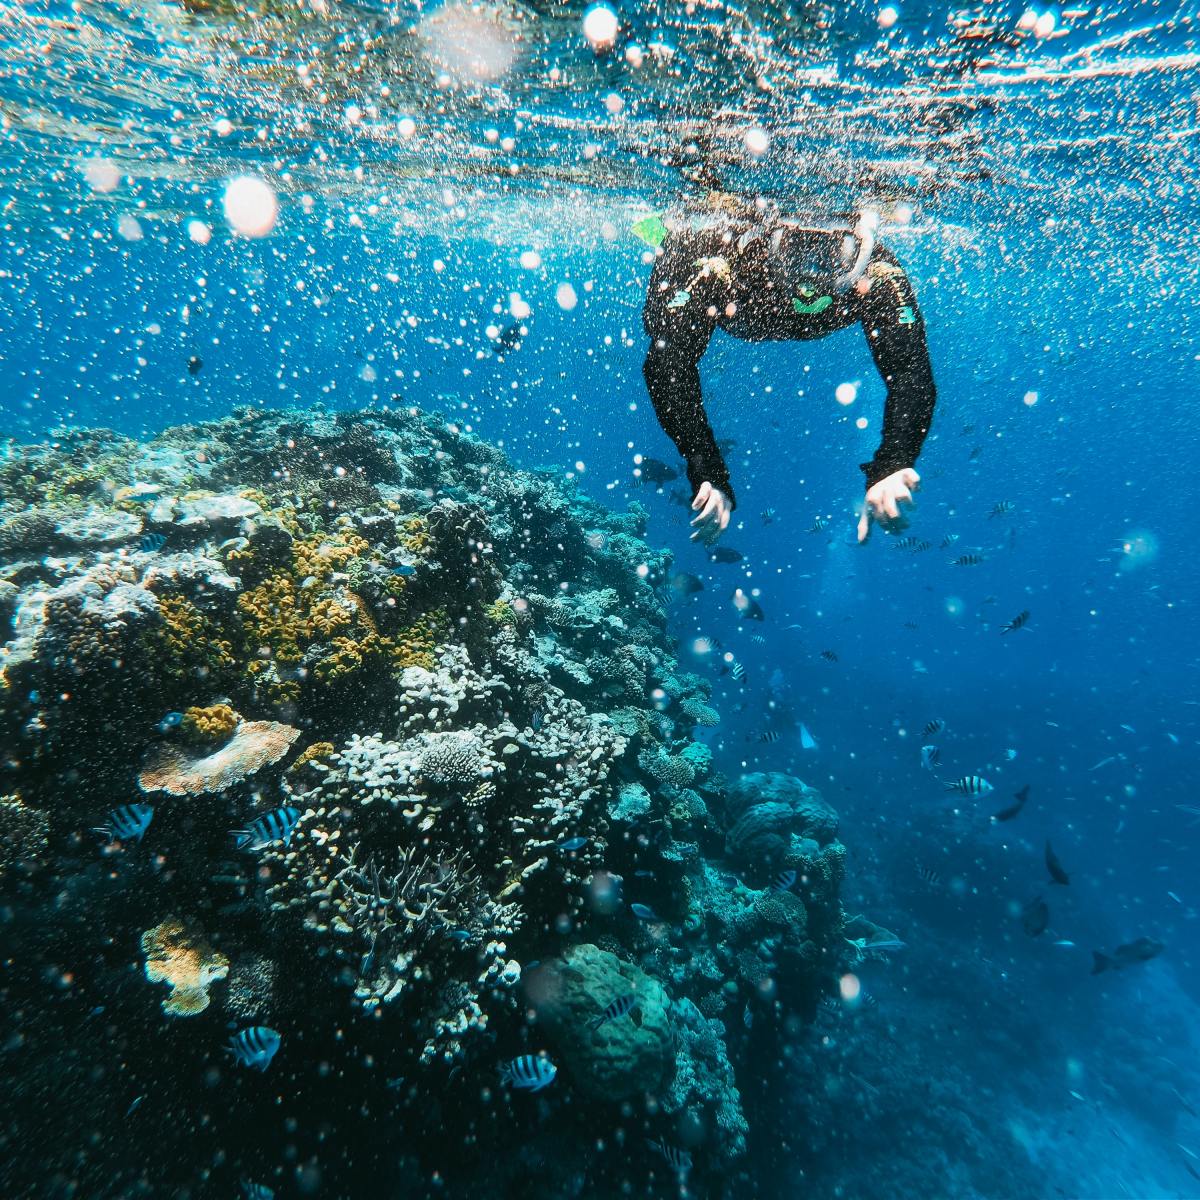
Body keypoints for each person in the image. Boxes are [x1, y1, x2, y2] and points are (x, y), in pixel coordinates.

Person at [640, 190, 937, 544]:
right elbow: (667, 362)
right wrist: (705, 469)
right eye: (793, 251)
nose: (807, 281)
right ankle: (660, 229)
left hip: (744, 310)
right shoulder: (720, 263)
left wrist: (894, 461)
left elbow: (910, 372)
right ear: (768, 241)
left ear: (860, 251)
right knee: (662, 313)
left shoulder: (877, 276)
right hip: (712, 278)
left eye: (832, 256)